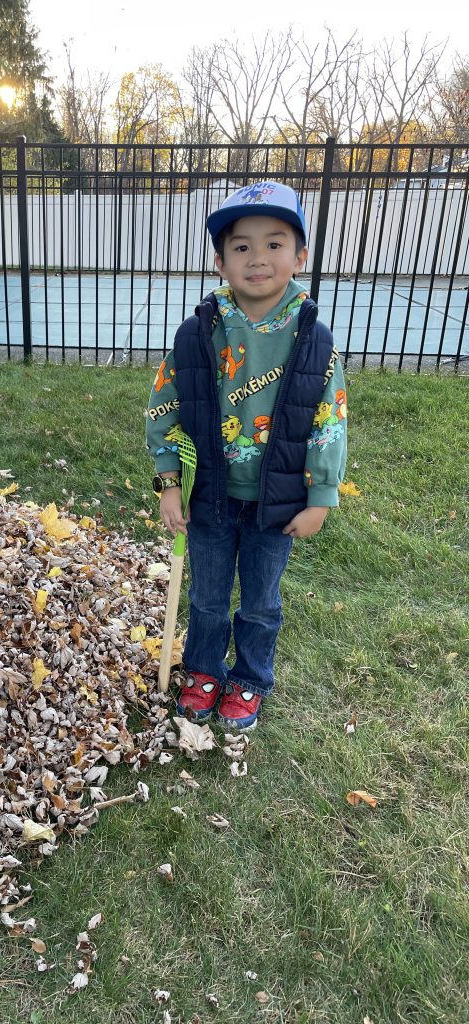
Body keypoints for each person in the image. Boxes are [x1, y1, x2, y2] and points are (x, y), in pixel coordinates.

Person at [145, 181, 347, 730]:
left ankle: (250, 679)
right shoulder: (198, 334)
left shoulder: (313, 341)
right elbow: (165, 405)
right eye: (241, 247)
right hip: (207, 496)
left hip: (275, 503)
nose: (258, 258)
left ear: (300, 256)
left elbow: (330, 421)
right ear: (220, 262)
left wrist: (321, 496)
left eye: (275, 243)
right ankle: (205, 671)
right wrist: (169, 482)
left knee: (259, 601)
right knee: (208, 596)